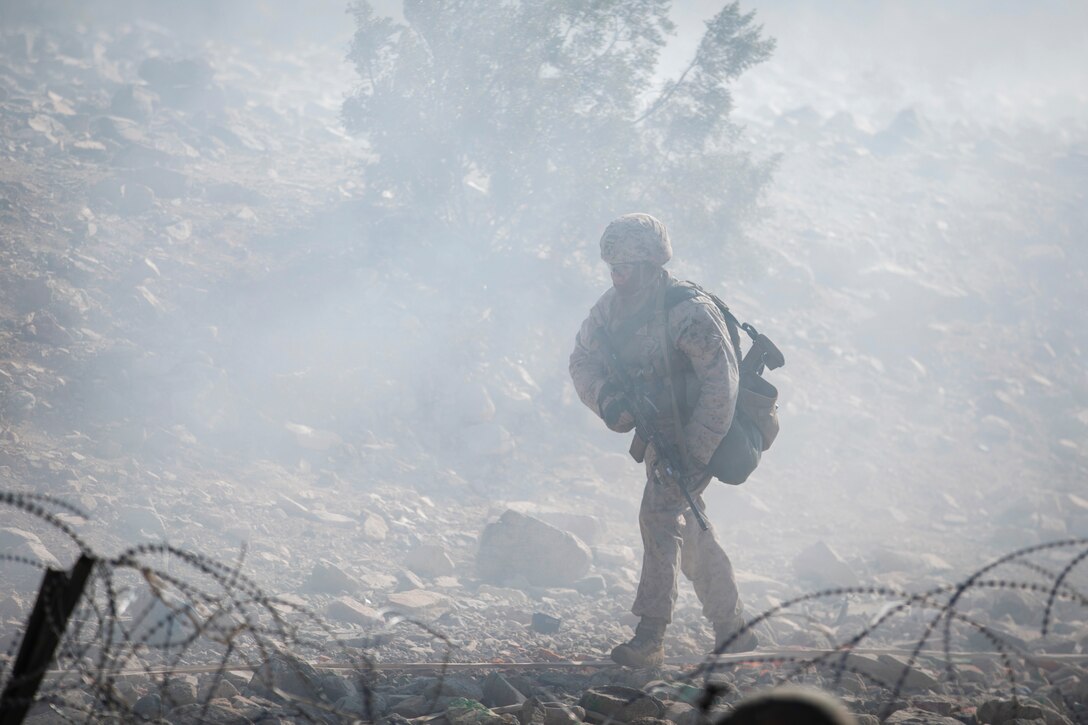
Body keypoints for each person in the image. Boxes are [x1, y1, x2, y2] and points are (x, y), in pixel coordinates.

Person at [569, 213, 757, 667]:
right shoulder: (609, 310)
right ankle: (733, 628)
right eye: (612, 266)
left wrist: (693, 453)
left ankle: (650, 636)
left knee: (658, 517)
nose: (617, 275)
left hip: (700, 433)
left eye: (626, 266)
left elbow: (721, 389)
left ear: (652, 264)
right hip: (658, 435)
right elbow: (581, 362)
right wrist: (609, 402)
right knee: (688, 526)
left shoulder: (688, 312)